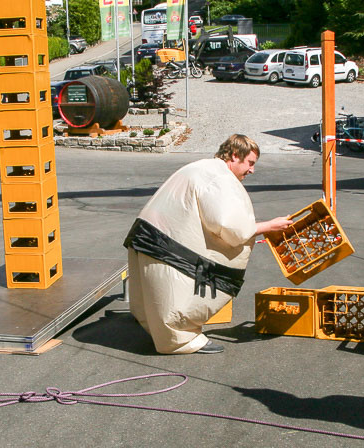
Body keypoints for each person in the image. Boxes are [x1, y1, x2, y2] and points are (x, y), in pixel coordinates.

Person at [124, 135, 294, 355]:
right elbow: (230, 226)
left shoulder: (202, 168)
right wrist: (269, 226)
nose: (252, 170)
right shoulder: (219, 179)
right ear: (235, 155)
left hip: (146, 238)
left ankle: (159, 330)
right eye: (250, 163)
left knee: (154, 297)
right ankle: (181, 340)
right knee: (176, 297)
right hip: (163, 245)